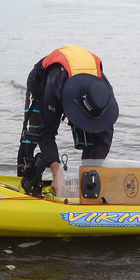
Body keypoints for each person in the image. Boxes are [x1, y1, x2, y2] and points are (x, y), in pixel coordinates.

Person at [17, 45, 119, 195]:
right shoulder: (55, 89)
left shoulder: (103, 98)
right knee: (32, 134)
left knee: (92, 139)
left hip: (82, 85)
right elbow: (46, 133)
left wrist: (89, 174)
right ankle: (22, 182)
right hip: (44, 83)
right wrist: (56, 173)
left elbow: (103, 139)